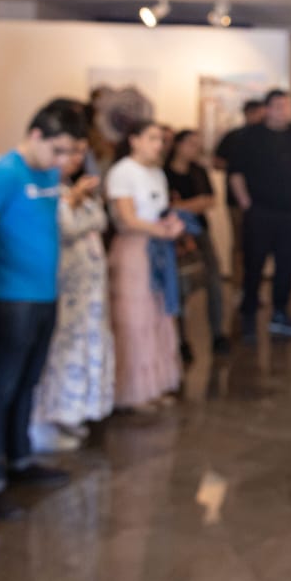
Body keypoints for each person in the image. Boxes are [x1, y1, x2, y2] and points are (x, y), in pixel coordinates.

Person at [0, 98, 88, 519]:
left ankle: (19, 458)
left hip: (44, 294)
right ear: (36, 135)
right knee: (0, 386)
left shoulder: (49, 173)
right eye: (57, 150)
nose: (63, 160)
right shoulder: (4, 174)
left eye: (70, 152)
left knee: (28, 382)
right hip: (9, 296)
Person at [31, 143, 113, 453]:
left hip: (87, 288)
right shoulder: (45, 190)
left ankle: (67, 411)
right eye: (69, 151)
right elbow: (62, 226)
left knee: (78, 348)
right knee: (57, 350)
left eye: (80, 153)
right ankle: (42, 422)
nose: (76, 159)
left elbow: (100, 221)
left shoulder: (73, 187)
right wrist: (75, 198)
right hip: (62, 284)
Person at [106, 120, 185, 414]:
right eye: (152, 138)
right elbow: (127, 218)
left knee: (156, 314)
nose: (158, 145)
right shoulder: (122, 172)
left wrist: (171, 224)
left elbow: (159, 211)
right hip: (134, 249)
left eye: (161, 139)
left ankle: (155, 385)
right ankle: (132, 390)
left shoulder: (156, 172)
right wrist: (160, 230)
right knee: (134, 318)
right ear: (134, 140)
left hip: (157, 248)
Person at [226, 90, 291, 340]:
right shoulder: (249, 136)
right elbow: (235, 172)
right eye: (277, 106)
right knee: (254, 264)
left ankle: (280, 313)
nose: (283, 110)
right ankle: (248, 315)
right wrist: (245, 202)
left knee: (286, 266)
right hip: (260, 212)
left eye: (287, 105)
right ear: (267, 109)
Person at [165, 129, 228, 355]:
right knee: (180, 284)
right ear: (178, 145)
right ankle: (182, 339)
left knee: (213, 281)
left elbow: (209, 200)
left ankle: (217, 332)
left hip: (200, 232)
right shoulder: (165, 172)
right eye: (191, 143)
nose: (195, 149)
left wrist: (181, 206)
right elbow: (167, 206)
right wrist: (192, 204)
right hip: (175, 236)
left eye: (197, 144)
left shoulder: (198, 171)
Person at [214, 98, 265, 283]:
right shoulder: (234, 136)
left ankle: (254, 284)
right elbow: (217, 162)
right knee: (239, 244)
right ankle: (238, 284)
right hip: (236, 201)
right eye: (260, 114)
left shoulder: (267, 137)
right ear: (249, 114)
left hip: (263, 201)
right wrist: (237, 167)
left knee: (259, 244)